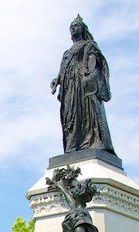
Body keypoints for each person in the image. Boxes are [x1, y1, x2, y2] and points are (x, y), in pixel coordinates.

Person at [50, 16, 116, 154]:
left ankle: (90, 142)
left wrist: (89, 72)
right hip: (69, 86)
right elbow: (64, 68)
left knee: (86, 112)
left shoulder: (89, 44)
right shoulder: (67, 52)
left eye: (76, 26)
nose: (73, 28)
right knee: (70, 115)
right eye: (71, 26)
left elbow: (93, 58)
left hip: (82, 84)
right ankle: (72, 145)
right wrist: (58, 79)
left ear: (83, 29)